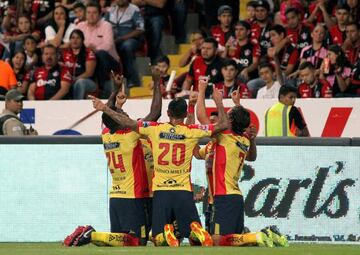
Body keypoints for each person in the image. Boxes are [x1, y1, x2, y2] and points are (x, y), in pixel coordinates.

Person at [89, 83, 229, 247]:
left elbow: (128, 123)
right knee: (193, 237)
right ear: (184, 114)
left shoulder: (155, 129)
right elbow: (223, 125)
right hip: (183, 190)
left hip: (160, 191)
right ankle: (193, 230)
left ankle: (165, 233)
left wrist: (107, 108)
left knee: (156, 238)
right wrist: (217, 102)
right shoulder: (192, 131)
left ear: (168, 113)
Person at [65, 67, 162, 247]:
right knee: (137, 241)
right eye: (121, 115)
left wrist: (115, 91)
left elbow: (106, 116)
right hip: (133, 196)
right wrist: (157, 82)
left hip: (116, 196)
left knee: (120, 241)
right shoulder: (130, 136)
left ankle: (91, 234)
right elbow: (155, 113)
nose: (124, 115)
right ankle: (91, 234)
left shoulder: (106, 134)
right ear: (119, 121)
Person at [195, 79, 282, 247]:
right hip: (235, 196)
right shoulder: (244, 140)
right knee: (232, 239)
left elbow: (202, 117)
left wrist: (205, 93)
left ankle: (257, 236)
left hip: (223, 196)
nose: (225, 115)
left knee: (217, 241)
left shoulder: (224, 137)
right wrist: (237, 104)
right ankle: (251, 237)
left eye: (229, 115)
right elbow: (251, 157)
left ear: (231, 122)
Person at [77, 1, 121, 98]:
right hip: (88, 60)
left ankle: (103, 89)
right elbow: (76, 43)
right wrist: (88, 50)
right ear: (85, 13)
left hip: (109, 61)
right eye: (88, 12)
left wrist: (93, 50)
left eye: (94, 12)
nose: (91, 15)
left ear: (100, 14)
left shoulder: (106, 25)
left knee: (100, 54)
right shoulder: (80, 26)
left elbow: (108, 45)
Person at [106, 0, 145, 88]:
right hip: (113, 40)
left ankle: (132, 79)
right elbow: (103, 25)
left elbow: (140, 29)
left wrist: (122, 38)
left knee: (126, 47)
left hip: (131, 39)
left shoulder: (134, 9)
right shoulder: (111, 10)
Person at [60, 29, 97, 99]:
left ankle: (76, 105)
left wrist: (75, 79)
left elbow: (89, 73)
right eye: (73, 38)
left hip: (87, 81)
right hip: (69, 79)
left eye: (78, 38)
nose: (75, 40)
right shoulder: (64, 53)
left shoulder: (88, 53)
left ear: (82, 40)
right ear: (70, 40)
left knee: (80, 83)